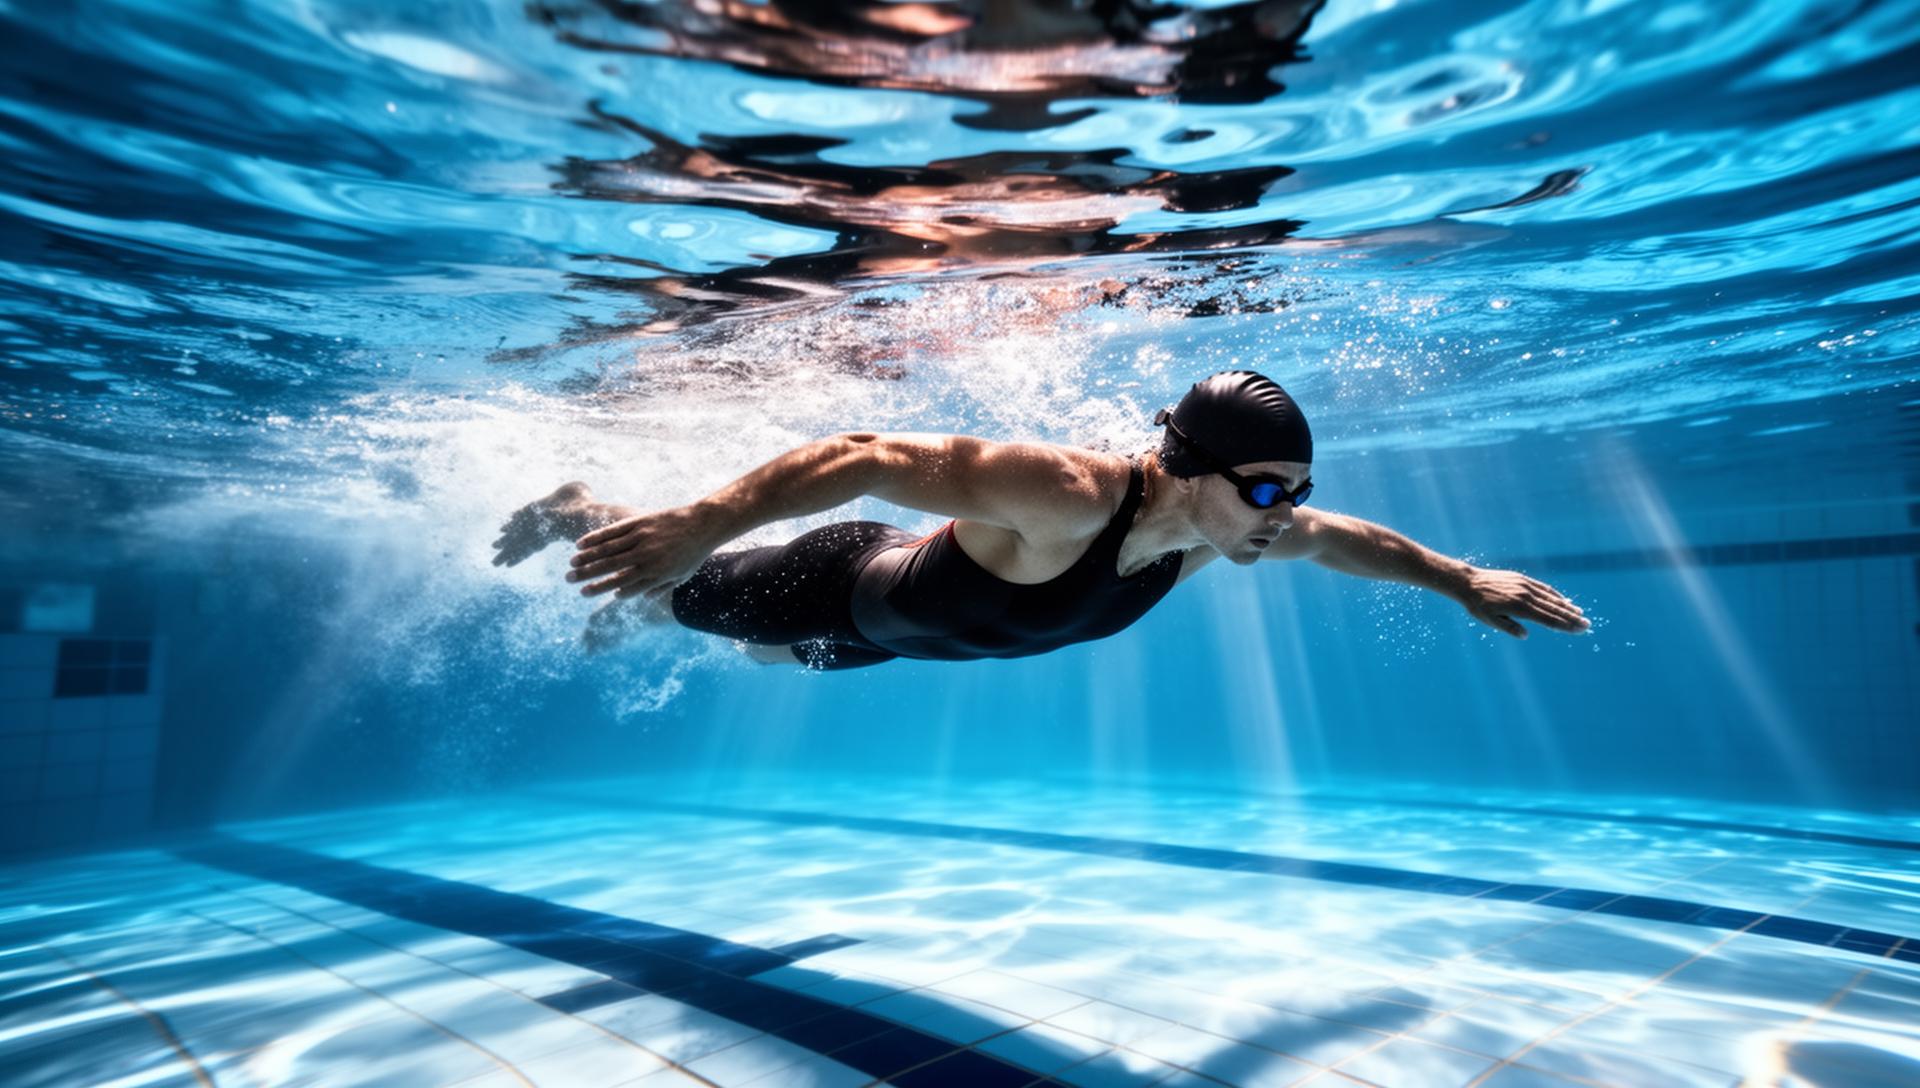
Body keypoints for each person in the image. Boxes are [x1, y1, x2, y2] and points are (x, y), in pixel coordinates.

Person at [493, 371, 1588, 667]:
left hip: (898, 643)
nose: (1285, 515)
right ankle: (584, 511)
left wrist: (1461, 579)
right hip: (842, 582)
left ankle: (652, 596)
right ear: (1184, 466)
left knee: (776, 667)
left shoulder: (1223, 531)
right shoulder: (1070, 494)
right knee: (682, 600)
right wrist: (699, 516)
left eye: (1293, 491)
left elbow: (1359, 539)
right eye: (1265, 488)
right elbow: (866, 454)